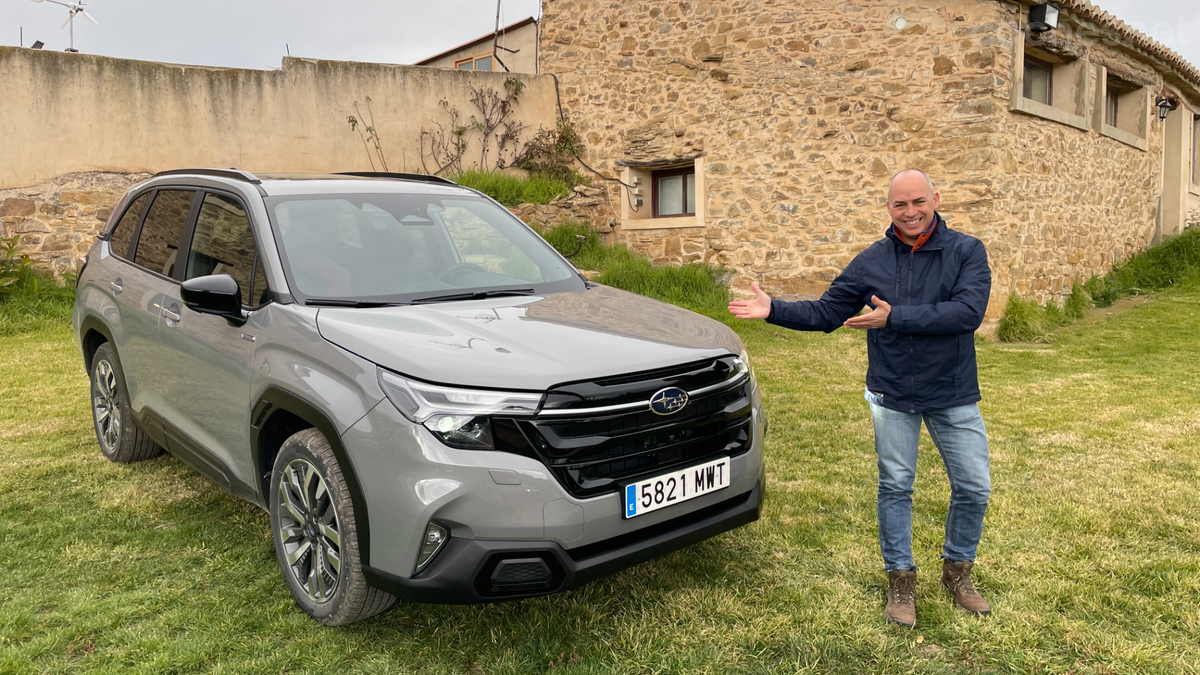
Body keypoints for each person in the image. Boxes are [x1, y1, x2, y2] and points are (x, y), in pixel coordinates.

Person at [728, 169, 993, 628]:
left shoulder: (965, 250)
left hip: (952, 392)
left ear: (935, 199)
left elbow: (967, 312)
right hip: (892, 392)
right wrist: (775, 310)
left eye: (918, 202)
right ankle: (900, 582)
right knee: (896, 487)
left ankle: (958, 574)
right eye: (899, 205)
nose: (910, 212)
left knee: (973, 486)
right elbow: (829, 310)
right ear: (888, 209)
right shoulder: (872, 260)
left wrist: (895, 319)